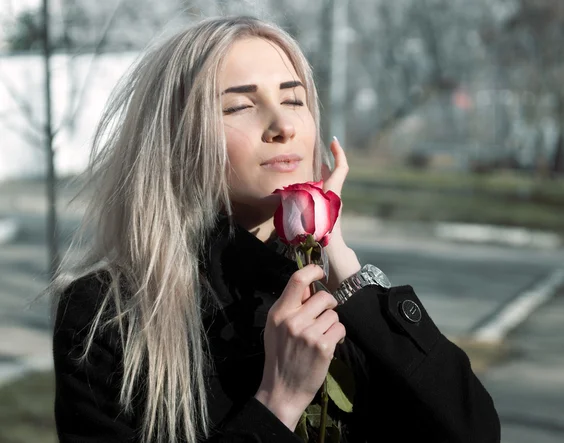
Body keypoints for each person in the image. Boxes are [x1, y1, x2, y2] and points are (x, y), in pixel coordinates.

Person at [47, 15, 501, 443]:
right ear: (178, 139)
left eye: (293, 100)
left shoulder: (347, 300)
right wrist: (278, 402)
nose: (283, 125)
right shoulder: (107, 315)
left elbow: (472, 430)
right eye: (241, 106)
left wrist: (336, 248)